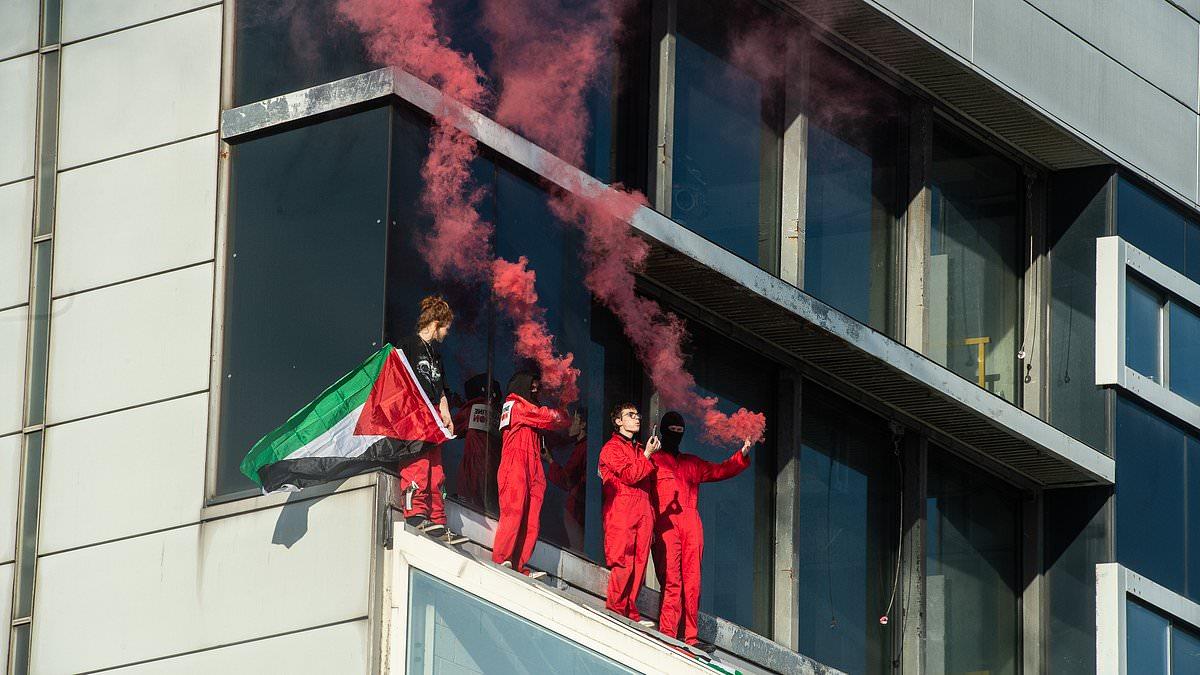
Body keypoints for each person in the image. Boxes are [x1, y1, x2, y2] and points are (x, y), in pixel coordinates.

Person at [649, 411, 753, 651]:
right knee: (672, 580)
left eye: (679, 431)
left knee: (693, 580)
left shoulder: (692, 463)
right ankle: (668, 633)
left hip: (691, 522)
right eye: (671, 430)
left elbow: (720, 470)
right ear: (662, 431)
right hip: (666, 523)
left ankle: (690, 637)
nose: (675, 435)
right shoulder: (653, 461)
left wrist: (743, 454)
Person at [395, 295, 463, 544]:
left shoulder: (435, 354)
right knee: (418, 461)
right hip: (415, 415)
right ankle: (415, 513)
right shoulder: (408, 345)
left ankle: (438, 519)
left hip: (434, 416)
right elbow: (395, 381)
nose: (446, 333)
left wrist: (446, 413)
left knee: (437, 469)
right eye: (446, 328)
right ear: (436, 323)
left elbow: (441, 388)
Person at [491, 371, 569, 578]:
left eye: (537, 386)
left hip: (533, 464)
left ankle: (519, 564)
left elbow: (553, 421)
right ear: (522, 384)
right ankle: (502, 558)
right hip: (515, 462)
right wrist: (563, 410)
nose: (535, 389)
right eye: (532, 385)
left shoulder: (527, 409)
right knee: (514, 511)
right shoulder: (515, 405)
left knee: (532, 518)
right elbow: (548, 418)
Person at [599, 402, 660, 625]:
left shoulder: (640, 449)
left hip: (643, 510)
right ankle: (616, 609)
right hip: (622, 509)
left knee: (640, 563)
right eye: (630, 415)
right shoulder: (611, 448)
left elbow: (650, 487)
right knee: (623, 560)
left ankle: (630, 612)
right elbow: (630, 476)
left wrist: (652, 517)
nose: (636, 419)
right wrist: (646, 455)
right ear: (618, 422)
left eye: (637, 415)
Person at [454, 373, 500, 509]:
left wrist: (454, 406)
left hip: (474, 463)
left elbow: (451, 428)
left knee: (471, 502)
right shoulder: (499, 412)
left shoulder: (470, 409)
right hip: (496, 464)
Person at [545, 411, 588, 550]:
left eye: (574, 421)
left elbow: (566, 479)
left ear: (583, 424)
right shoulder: (583, 446)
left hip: (575, 508)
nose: (569, 425)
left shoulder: (582, 448)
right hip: (580, 507)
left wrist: (550, 460)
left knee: (577, 548)